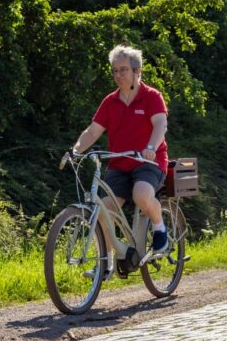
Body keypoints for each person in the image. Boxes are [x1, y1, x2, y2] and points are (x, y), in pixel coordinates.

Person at [66, 44, 170, 267]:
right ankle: (107, 261)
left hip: (148, 161)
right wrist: (75, 151)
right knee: (103, 211)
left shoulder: (152, 97)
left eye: (123, 70)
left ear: (137, 71)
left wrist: (151, 146)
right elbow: (93, 131)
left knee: (141, 194)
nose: (118, 75)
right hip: (120, 163)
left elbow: (160, 125)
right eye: (115, 70)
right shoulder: (110, 102)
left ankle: (160, 227)